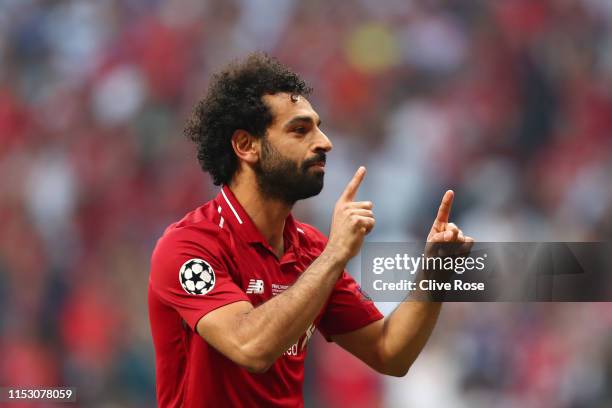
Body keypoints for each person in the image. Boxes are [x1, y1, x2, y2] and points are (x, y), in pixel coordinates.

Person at [148, 53, 473, 407]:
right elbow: (251, 347)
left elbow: (389, 351)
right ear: (246, 146)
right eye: (300, 130)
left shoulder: (310, 249)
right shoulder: (189, 246)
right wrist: (335, 254)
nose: (324, 142)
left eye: (318, 127)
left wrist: (434, 276)